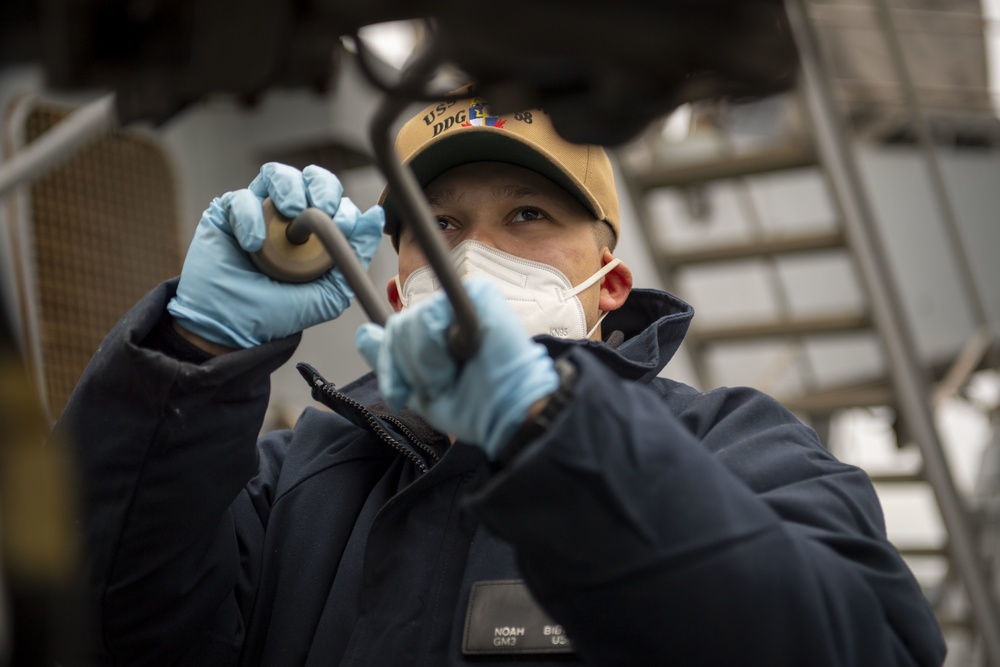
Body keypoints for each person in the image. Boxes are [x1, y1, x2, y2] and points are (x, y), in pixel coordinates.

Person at [57, 91, 946, 666]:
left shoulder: (738, 448)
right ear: (396, 283)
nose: (474, 256)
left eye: (528, 214)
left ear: (610, 282)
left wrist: (555, 430)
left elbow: (867, 643)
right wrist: (192, 356)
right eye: (438, 224)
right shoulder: (298, 479)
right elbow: (96, 622)